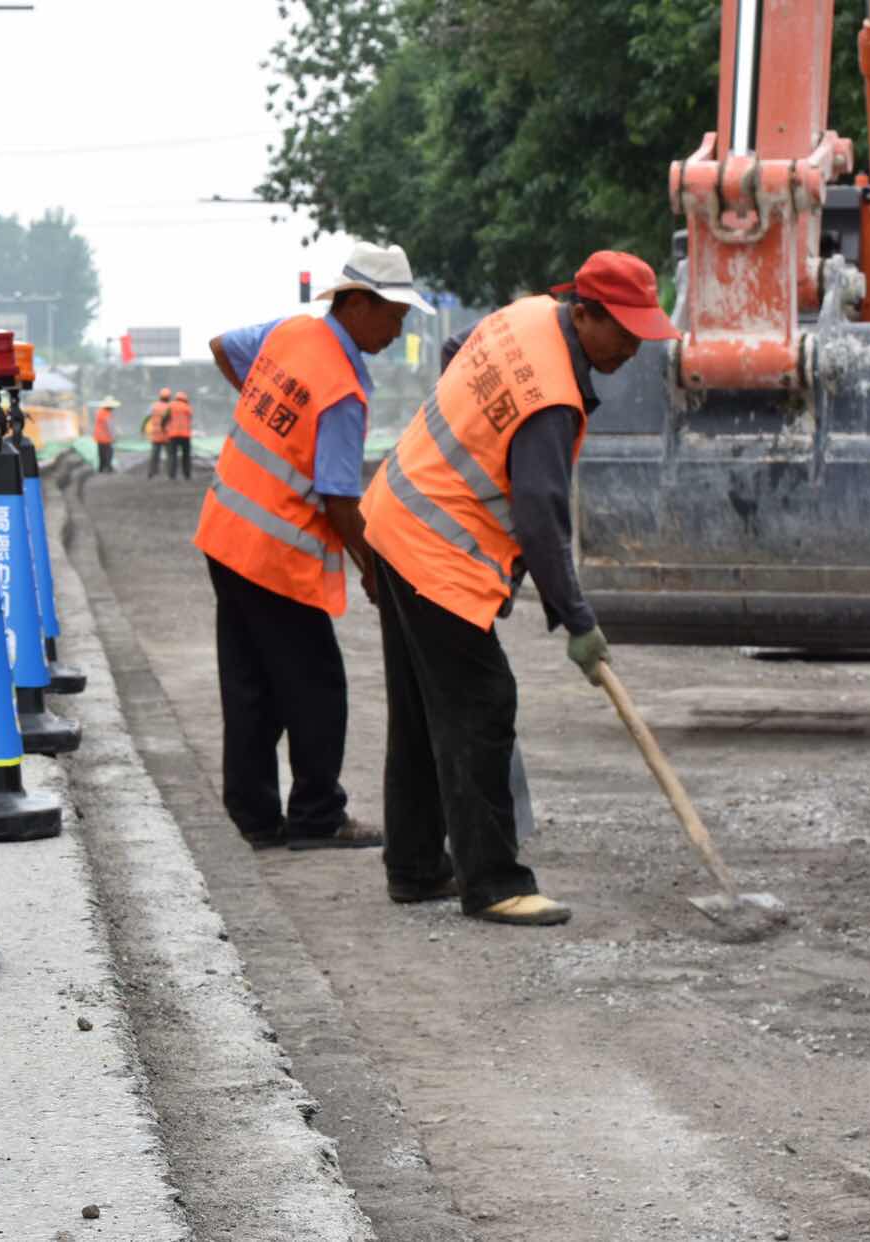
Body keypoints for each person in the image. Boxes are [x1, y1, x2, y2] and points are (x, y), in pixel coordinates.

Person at [359, 250, 678, 923]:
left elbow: (455, 349)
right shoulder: (551, 399)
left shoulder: (525, 315)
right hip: (435, 547)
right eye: (624, 331)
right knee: (481, 703)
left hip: (395, 509)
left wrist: (475, 428)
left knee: (421, 711)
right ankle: (494, 883)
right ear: (584, 314)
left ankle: (415, 867)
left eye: (642, 333)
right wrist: (578, 620)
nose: (633, 348)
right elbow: (541, 518)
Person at [195, 240, 431, 851]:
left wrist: (265, 412)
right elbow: (339, 500)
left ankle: (253, 817)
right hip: (274, 556)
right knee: (317, 686)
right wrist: (375, 573)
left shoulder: (291, 333)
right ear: (358, 304)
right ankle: (317, 816)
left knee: (250, 685)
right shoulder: (342, 390)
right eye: (393, 317)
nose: (396, 331)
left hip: (224, 531)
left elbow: (222, 347)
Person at [165, 390, 194, 480]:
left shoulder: (171, 406)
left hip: (173, 435)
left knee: (173, 455)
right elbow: (190, 418)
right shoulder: (188, 407)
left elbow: (165, 418)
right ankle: (187, 475)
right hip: (185, 435)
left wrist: (164, 428)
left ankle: (172, 475)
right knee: (186, 456)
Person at [146, 387, 171, 478]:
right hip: (167, 434)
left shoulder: (153, 406)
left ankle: (152, 472)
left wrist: (146, 431)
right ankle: (170, 473)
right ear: (169, 397)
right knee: (170, 455)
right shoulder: (170, 407)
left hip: (156, 434)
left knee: (154, 455)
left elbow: (147, 418)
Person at [93, 396, 118, 473]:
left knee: (101, 454)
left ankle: (101, 469)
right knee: (108, 453)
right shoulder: (106, 414)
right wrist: (113, 436)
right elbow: (110, 426)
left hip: (99, 437)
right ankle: (108, 467)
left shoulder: (100, 412)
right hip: (106, 438)